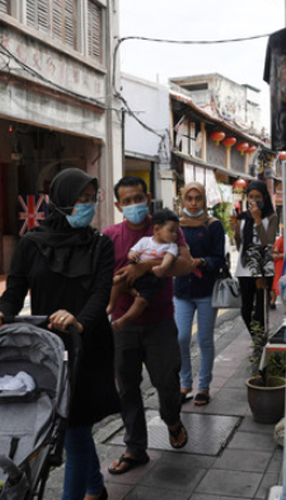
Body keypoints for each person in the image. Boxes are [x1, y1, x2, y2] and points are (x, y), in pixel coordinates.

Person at [0, 168, 119, 500]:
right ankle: (95, 487)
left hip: (88, 345)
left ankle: (83, 492)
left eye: (92, 199)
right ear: (60, 201)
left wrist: (79, 321)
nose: (87, 206)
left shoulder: (100, 244)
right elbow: (15, 289)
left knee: (76, 429)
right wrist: (2, 314)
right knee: (69, 428)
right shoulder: (31, 244)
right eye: (80, 199)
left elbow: (101, 294)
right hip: (48, 347)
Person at [104, 176, 195, 475]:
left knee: (167, 382)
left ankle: (172, 420)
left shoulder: (165, 227)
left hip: (160, 322)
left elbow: (185, 263)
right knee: (127, 388)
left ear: (148, 197)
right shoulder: (110, 236)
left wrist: (144, 266)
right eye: (127, 201)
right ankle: (135, 448)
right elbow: (102, 277)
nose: (134, 205)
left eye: (138, 198)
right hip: (123, 324)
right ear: (118, 205)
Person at [174, 182, 225, 406]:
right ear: (183, 200)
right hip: (181, 291)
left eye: (198, 198)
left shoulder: (213, 226)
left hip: (206, 291)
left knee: (204, 340)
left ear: (204, 200)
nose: (193, 203)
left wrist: (202, 261)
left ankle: (203, 386)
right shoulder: (176, 226)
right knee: (181, 338)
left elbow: (219, 259)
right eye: (189, 198)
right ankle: (185, 383)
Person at [109, 208, 181, 332]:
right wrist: (132, 255)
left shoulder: (172, 246)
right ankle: (111, 306)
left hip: (151, 280)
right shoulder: (145, 241)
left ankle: (123, 320)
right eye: (171, 231)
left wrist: (162, 267)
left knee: (141, 302)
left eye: (176, 232)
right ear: (157, 229)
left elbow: (169, 258)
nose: (175, 234)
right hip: (135, 273)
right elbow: (132, 251)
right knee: (117, 281)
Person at [230, 180, 279, 337]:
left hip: (263, 270)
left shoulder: (271, 217)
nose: (254, 201)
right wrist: (236, 233)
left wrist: (258, 220)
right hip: (245, 269)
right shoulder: (243, 217)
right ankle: (257, 339)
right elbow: (240, 247)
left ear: (264, 197)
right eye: (251, 197)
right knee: (245, 311)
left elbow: (268, 242)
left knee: (260, 312)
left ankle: (260, 343)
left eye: (258, 197)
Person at [271, 231, 285, 309]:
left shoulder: (285, 240)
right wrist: (284, 255)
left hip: (283, 264)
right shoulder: (280, 240)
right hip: (280, 264)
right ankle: (273, 302)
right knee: (277, 283)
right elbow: (274, 255)